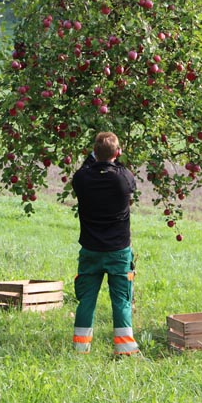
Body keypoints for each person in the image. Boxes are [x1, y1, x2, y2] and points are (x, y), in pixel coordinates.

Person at [71, 132, 139, 355]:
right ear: (117, 153)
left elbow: (84, 169)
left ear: (93, 153)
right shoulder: (123, 179)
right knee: (121, 300)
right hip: (118, 250)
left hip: (91, 249)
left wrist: (96, 156)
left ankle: (81, 347)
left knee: (86, 299)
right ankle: (125, 348)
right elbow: (125, 175)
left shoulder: (82, 179)